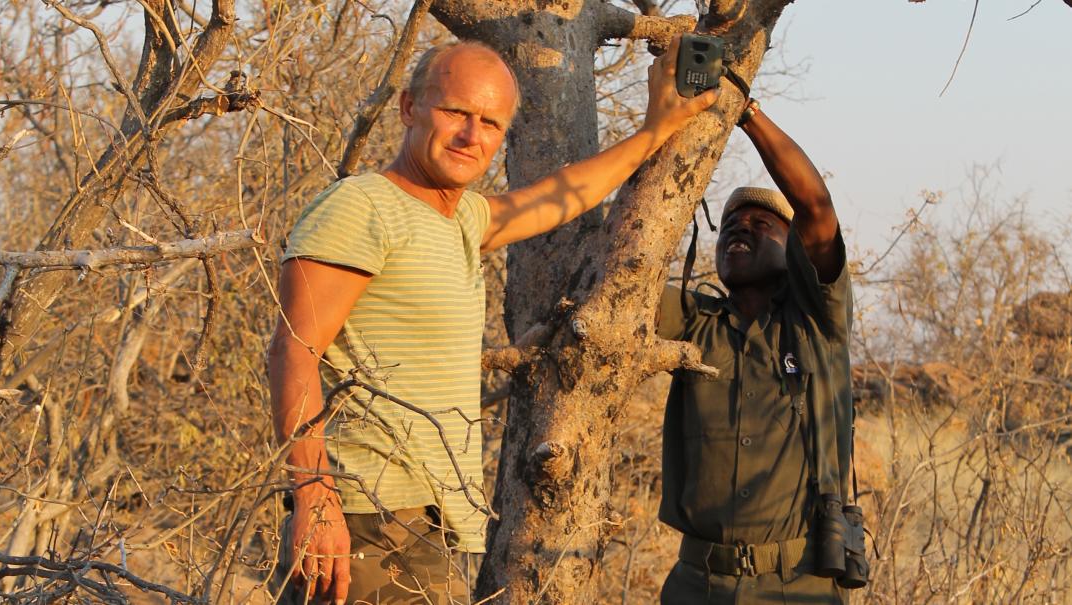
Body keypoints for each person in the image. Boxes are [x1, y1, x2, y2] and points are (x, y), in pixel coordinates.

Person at [268, 36, 718, 604]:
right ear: (409, 108)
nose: (470, 135)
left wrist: (656, 130)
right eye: (456, 112)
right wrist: (313, 496)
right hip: (366, 518)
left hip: (429, 524)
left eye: (490, 122)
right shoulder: (362, 206)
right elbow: (294, 352)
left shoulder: (460, 219)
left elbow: (560, 196)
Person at [655, 98, 855, 604]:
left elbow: (815, 208)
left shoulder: (816, 321)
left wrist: (743, 111)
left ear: (794, 249)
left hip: (799, 583)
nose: (741, 229)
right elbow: (622, 279)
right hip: (695, 583)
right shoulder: (695, 322)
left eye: (761, 224)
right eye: (731, 225)